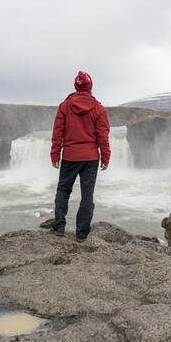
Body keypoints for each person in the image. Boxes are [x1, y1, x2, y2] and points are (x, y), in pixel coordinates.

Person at [50, 71, 111, 242]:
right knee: (87, 195)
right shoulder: (99, 109)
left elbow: (57, 133)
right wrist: (105, 157)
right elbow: (103, 136)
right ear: (90, 87)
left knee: (63, 190)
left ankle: (59, 227)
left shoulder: (64, 106)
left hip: (69, 156)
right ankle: (81, 234)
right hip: (91, 158)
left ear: (76, 86)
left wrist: (55, 153)